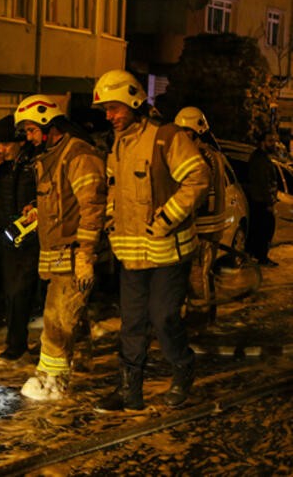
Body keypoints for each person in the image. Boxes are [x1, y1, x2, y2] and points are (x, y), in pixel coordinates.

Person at [92, 69, 210, 411]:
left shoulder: (167, 136)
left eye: (113, 108)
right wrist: (111, 219)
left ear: (132, 100)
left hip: (168, 251)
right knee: (131, 323)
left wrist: (166, 219)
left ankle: (183, 369)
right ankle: (129, 392)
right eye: (106, 111)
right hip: (131, 253)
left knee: (163, 317)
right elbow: (114, 187)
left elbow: (197, 180)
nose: (109, 116)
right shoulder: (119, 144)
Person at [15, 94, 107, 401]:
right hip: (56, 254)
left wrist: (85, 255)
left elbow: (92, 207)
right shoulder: (51, 156)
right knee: (61, 318)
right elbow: (61, 202)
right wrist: (37, 211)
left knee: (57, 319)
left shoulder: (77, 155)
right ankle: (65, 367)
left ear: (47, 125)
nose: (28, 137)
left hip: (72, 253)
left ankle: (53, 380)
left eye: (30, 130)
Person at [0, 115, 39, 360]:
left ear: (19, 142)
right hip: (9, 235)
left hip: (31, 236)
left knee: (23, 291)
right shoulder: (3, 166)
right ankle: (16, 341)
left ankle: (18, 344)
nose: (1, 149)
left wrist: (35, 207)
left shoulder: (34, 161)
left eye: (6, 144)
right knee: (12, 291)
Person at [174, 107, 226, 323]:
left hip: (202, 227)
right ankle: (207, 315)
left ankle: (198, 320)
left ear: (194, 132)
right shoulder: (213, 154)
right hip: (211, 226)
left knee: (197, 275)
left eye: (184, 133)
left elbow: (196, 192)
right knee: (205, 272)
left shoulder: (199, 156)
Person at [246, 131, 279, 266]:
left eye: (274, 141)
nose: (273, 144)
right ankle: (261, 257)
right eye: (270, 141)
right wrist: (269, 202)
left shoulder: (263, 157)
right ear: (262, 143)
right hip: (260, 201)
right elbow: (263, 182)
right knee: (264, 230)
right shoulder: (260, 159)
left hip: (259, 200)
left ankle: (256, 255)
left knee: (259, 229)